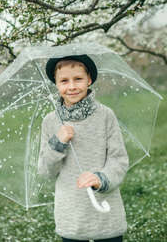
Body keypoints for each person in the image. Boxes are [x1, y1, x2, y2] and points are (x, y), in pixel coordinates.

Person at [38, 54, 129, 242]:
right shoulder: (50, 121)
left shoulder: (105, 116)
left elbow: (118, 159)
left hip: (105, 213)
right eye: (64, 81)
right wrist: (57, 143)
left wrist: (101, 178)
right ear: (56, 83)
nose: (71, 86)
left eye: (78, 79)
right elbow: (46, 171)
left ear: (89, 80)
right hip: (71, 216)